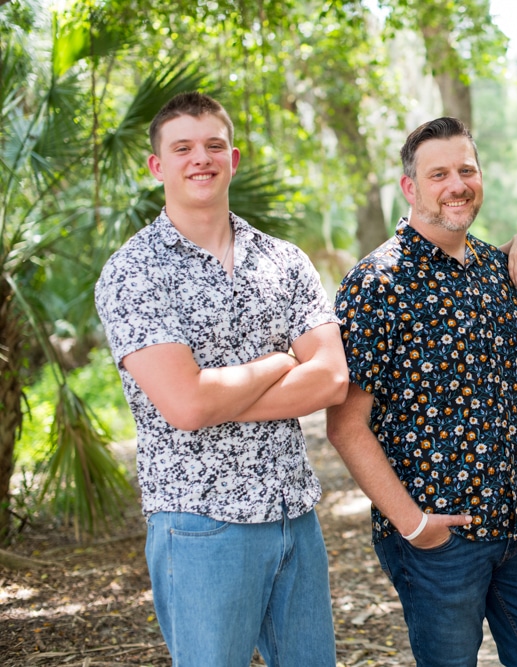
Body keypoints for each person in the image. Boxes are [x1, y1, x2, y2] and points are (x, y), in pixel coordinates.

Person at [95, 91, 348, 666]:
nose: (200, 158)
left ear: (233, 158)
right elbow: (184, 405)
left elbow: (332, 378)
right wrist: (280, 363)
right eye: (182, 147)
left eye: (213, 145)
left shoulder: (283, 259)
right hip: (200, 523)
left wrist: (214, 395)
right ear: (158, 166)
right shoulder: (134, 271)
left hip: (293, 515)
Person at [325, 117, 517, 667]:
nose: (457, 184)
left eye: (466, 170)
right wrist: (415, 525)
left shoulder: (499, 270)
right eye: (439, 174)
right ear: (410, 187)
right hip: (439, 541)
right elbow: (345, 425)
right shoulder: (377, 284)